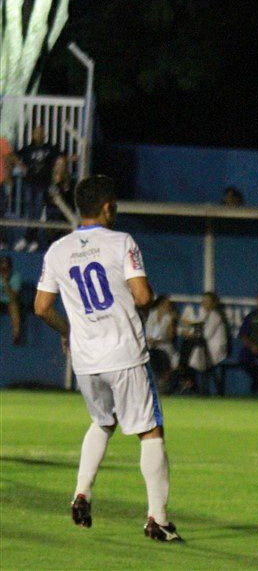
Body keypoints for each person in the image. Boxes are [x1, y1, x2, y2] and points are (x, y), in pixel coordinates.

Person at [33, 175, 181, 541]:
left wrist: (68, 331)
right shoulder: (121, 242)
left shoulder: (57, 250)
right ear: (107, 207)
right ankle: (158, 520)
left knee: (102, 422)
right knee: (151, 431)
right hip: (125, 354)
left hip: (86, 360)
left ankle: (82, 492)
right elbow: (143, 296)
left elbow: (40, 307)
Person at [14, 125, 65, 252]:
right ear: (32, 134)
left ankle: (32, 238)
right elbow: (13, 156)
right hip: (30, 183)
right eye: (36, 132)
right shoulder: (28, 148)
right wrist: (22, 167)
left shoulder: (50, 148)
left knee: (37, 211)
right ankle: (28, 238)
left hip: (43, 184)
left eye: (41, 132)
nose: (39, 135)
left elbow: (61, 157)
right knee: (30, 211)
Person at [177, 292, 229, 396]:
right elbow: (192, 328)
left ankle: (188, 382)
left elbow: (206, 335)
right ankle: (186, 380)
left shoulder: (215, 316)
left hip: (214, 351)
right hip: (203, 348)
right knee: (187, 347)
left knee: (189, 349)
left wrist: (191, 333)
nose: (204, 303)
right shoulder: (203, 314)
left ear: (213, 304)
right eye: (204, 300)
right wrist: (187, 331)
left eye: (208, 301)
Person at [146, 295, 178, 390]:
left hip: (164, 345)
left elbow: (170, 337)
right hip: (150, 344)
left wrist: (172, 321)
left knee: (165, 356)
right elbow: (147, 332)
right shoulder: (151, 315)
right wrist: (151, 340)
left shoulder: (169, 318)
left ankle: (163, 381)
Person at [0, 256, 23, 344]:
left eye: (6, 268)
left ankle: (16, 336)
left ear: (10, 268)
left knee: (14, 307)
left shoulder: (16, 277)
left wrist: (6, 283)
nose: (4, 271)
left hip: (11, 301)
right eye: (2, 269)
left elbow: (13, 296)